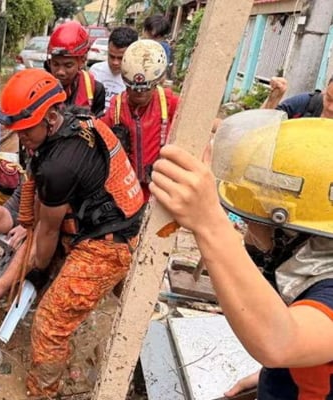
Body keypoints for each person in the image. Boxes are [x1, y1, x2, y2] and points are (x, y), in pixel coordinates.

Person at [0, 69, 145, 396]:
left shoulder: (61, 164)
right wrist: (27, 224)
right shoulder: (66, 123)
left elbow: (43, 241)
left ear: (50, 116)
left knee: (50, 323)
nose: (21, 138)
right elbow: (33, 190)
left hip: (110, 241)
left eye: (25, 131)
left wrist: (19, 272)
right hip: (97, 215)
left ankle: (42, 390)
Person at [151, 110, 333, 400]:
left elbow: (281, 343)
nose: (247, 230)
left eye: (254, 219)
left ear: (289, 228)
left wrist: (209, 222)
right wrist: (275, 377)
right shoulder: (309, 265)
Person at [100, 39, 179, 201]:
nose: (139, 94)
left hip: (159, 189)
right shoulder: (117, 106)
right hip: (126, 188)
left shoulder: (169, 102)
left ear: (158, 82)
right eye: (133, 89)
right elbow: (100, 131)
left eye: (145, 89)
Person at [46, 21, 106, 116]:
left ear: (82, 61)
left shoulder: (96, 90)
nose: (60, 72)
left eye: (68, 65)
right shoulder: (40, 88)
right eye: (55, 64)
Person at [89, 26, 139, 110]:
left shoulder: (138, 78)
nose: (115, 62)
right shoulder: (95, 71)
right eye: (111, 56)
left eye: (121, 58)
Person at [260, 75, 333, 119]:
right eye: (329, 99)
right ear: (324, 91)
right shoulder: (307, 103)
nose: (331, 108)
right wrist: (272, 100)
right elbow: (261, 125)